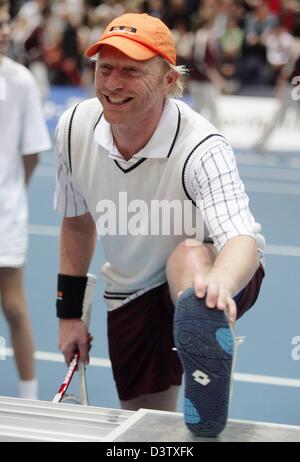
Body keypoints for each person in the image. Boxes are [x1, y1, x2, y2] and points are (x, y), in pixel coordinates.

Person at [54, 13, 265, 437]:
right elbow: (77, 223)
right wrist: (69, 314)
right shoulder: (74, 127)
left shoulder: (201, 146)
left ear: (170, 81)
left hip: (212, 272)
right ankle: (193, 398)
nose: (113, 84)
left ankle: (203, 330)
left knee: (187, 258)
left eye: (131, 71)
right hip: (131, 288)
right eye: (105, 68)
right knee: (145, 422)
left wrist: (218, 286)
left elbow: (242, 238)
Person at [0, 0, 51, 399]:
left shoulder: (19, 81)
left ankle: (31, 397)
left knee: (14, 307)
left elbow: (32, 151)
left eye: (5, 23)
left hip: (5, 213)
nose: (4, 31)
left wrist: (12, 189)